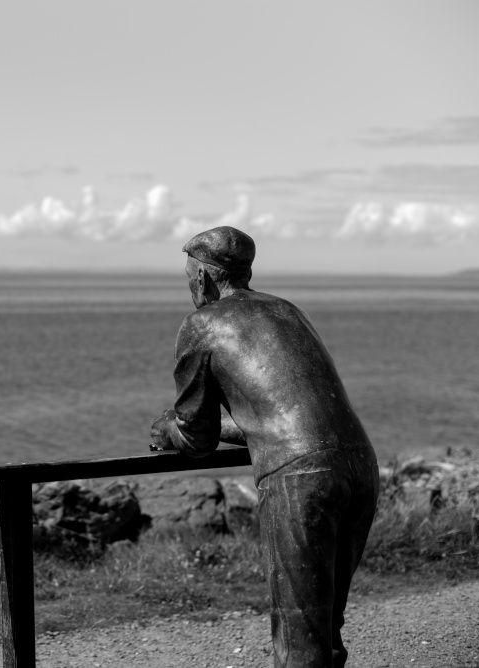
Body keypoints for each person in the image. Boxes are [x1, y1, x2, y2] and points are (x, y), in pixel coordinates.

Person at [150, 226, 379, 668]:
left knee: (301, 646)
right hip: (357, 461)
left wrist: (166, 430)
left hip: (301, 478)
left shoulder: (202, 325)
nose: (189, 285)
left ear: (202, 278)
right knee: (326, 630)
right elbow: (274, 414)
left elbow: (196, 439)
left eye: (188, 276)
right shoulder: (286, 311)